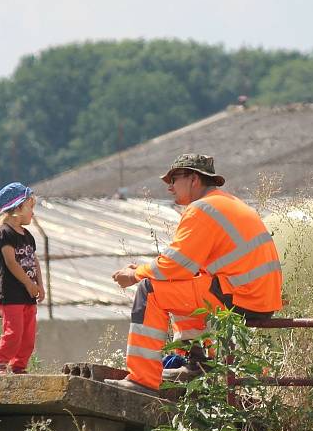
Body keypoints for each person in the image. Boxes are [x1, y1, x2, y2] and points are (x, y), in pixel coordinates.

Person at [104, 154, 283, 396]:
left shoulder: (202, 209)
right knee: (180, 286)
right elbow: (184, 268)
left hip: (239, 295)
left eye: (174, 178)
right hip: (254, 296)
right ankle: (197, 363)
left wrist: (136, 274)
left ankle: (142, 380)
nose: (169, 186)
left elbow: (174, 265)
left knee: (150, 291)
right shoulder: (224, 203)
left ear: (194, 179)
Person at [0, 182, 46, 375]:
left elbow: (34, 261)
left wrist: (40, 285)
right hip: (12, 294)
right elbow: (11, 262)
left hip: (28, 295)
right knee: (13, 333)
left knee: (28, 336)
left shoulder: (27, 236)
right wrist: (28, 283)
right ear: (18, 208)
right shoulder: (5, 233)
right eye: (30, 207)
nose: (32, 213)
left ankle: (19, 367)